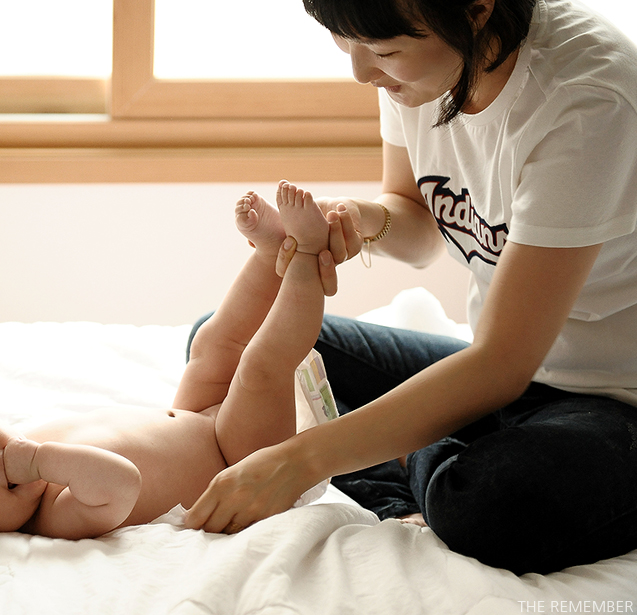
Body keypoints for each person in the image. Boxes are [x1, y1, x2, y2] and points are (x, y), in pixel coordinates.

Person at [183, 0, 637, 575]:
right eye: (344, 41)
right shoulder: (421, 70)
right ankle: (410, 465)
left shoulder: (587, 100)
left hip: (613, 397)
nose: (360, 71)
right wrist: (359, 218)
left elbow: (503, 363)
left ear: (475, 10)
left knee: (485, 504)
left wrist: (299, 460)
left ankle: (409, 454)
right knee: (233, 342)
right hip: (501, 372)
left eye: (382, 50)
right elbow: (417, 221)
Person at [0, 183, 331, 540]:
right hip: (243, 465)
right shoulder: (55, 516)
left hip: (195, 417)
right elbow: (123, 483)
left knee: (212, 343)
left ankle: (271, 252)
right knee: (259, 368)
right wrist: (40, 460)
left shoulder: (5, 445)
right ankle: (308, 254)